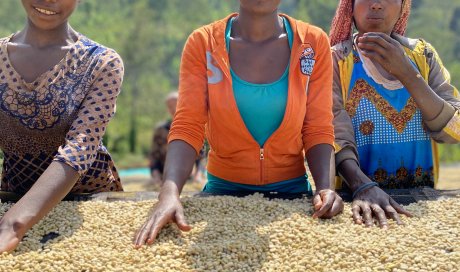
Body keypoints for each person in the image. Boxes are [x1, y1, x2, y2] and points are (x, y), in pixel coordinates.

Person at [134, 0, 344, 247]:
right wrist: (169, 194)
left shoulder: (312, 42)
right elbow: (188, 125)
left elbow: (318, 127)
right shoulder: (203, 44)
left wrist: (325, 190)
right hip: (221, 193)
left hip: (292, 195)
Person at [0, 0, 124, 253]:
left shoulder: (102, 62)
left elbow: (80, 148)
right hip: (15, 194)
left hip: (90, 200)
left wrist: (12, 225)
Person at [330, 0, 460, 228]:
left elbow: (453, 131)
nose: (377, 4)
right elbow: (331, 134)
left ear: (403, 7)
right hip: (358, 200)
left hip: (421, 200)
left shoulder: (423, 56)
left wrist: (407, 73)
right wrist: (363, 186)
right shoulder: (337, 61)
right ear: (350, 5)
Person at [149, 91, 205, 186]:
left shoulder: (193, 127)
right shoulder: (160, 130)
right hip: (164, 177)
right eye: (170, 106)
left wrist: (198, 176)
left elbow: (201, 157)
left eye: (176, 104)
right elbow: (154, 157)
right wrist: (156, 177)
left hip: (189, 177)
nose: (173, 109)